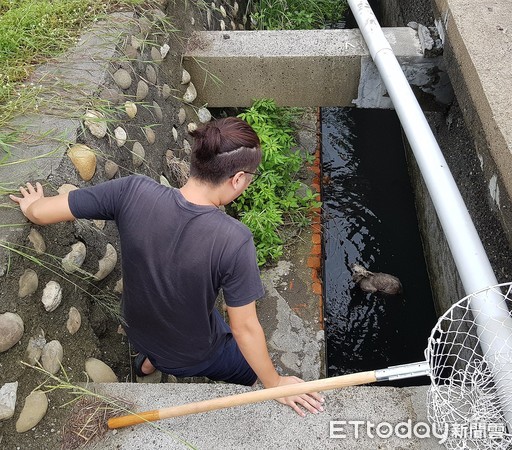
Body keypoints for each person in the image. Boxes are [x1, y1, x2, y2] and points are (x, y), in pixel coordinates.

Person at [10, 117, 324, 417]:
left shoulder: (131, 191)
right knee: (249, 364)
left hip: (137, 326)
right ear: (238, 178)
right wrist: (275, 383)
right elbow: (245, 328)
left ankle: (147, 365)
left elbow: (42, 212)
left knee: (190, 318)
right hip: (190, 353)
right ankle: (159, 363)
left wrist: (31, 205)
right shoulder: (234, 239)